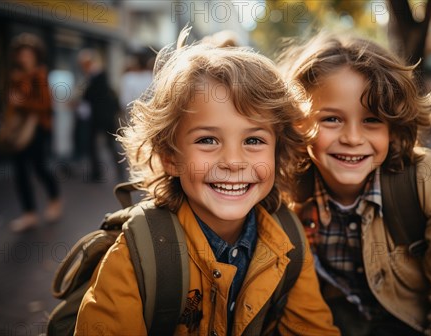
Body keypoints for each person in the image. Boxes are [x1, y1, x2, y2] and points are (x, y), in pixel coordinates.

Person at [75, 36, 340, 335]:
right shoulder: (137, 255)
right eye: (207, 140)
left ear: (278, 154)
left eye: (253, 140)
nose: (233, 161)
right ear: (170, 157)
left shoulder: (288, 238)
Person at [279, 33, 431, 335]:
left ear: (394, 126)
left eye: (372, 120)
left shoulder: (430, 181)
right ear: (299, 122)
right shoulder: (285, 191)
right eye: (331, 120)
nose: (352, 138)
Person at [5, 33, 61, 232]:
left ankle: (54, 201)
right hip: (20, 130)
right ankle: (29, 213)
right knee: (20, 171)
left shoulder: (40, 75)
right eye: (22, 54)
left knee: (39, 167)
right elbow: (11, 104)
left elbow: (46, 105)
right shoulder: (16, 77)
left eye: (28, 54)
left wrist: (23, 103)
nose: (25, 58)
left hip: (37, 128)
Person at [77, 48, 124, 182]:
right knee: (94, 145)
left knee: (109, 144)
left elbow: (92, 95)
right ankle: (97, 173)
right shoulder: (92, 76)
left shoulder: (98, 75)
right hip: (97, 117)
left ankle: (118, 172)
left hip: (104, 117)